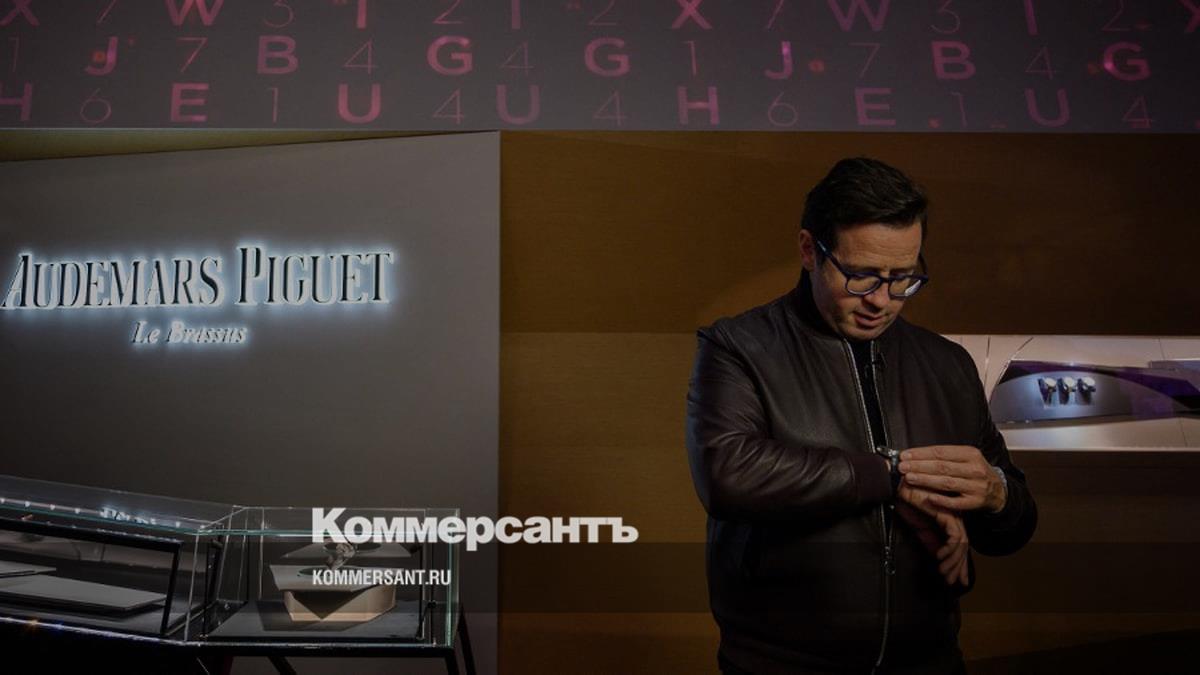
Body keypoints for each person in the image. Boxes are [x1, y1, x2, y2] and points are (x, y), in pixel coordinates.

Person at [685, 157, 1037, 674]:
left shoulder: (949, 364)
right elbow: (728, 475)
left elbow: (1010, 531)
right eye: (861, 276)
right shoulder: (739, 346)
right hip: (779, 665)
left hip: (930, 663)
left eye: (903, 278)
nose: (882, 300)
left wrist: (997, 495)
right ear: (809, 250)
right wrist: (891, 476)